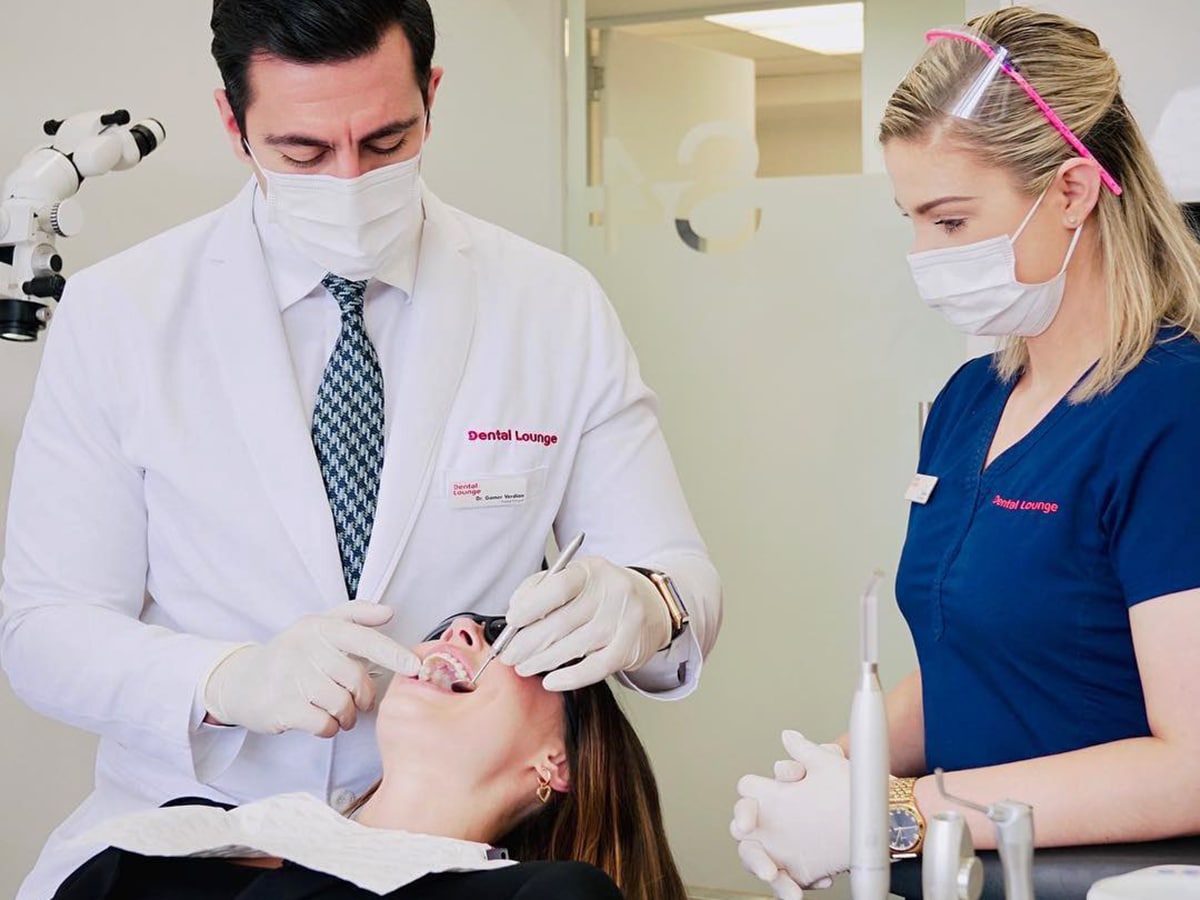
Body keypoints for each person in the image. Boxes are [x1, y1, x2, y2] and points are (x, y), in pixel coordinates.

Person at [0, 1, 721, 896]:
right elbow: (42, 630)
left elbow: (675, 572)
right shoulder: (125, 315)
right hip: (197, 837)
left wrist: (649, 604)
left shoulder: (549, 305)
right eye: (304, 152)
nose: (348, 179)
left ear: (432, 96)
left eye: (385, 142)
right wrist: (228, 677)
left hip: (436, 858)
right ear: (235, 124)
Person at [729, 7, 1200, 898]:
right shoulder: (969, 401)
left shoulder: (1173, 410)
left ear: (1071, 191)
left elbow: (1192, 763)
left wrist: (898, 810)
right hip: (947, 875)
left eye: (949, 221)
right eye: (911, 219)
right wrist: (836, 771)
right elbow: (976, 657)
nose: (923, 255)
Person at [53, 615, 689, 900]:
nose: (457, 632)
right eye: (452, 625)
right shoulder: (184, 835)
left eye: (506, 637)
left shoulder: (550, 894)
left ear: (560, 763)